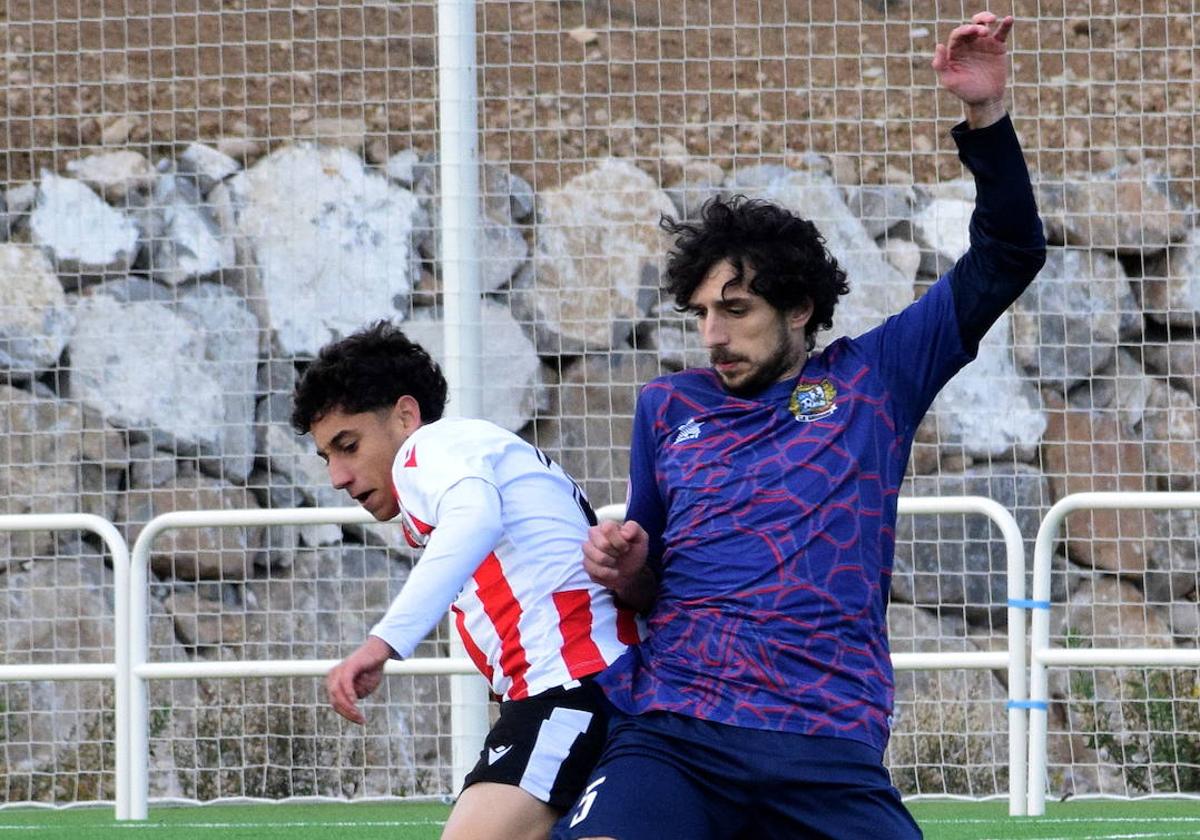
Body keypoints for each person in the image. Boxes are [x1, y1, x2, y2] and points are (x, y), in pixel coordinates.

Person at [554, 12, 1046, 840]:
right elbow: (650, 581)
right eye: (702, 312)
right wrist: (627, 564)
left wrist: (986, 119)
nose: (712, 334)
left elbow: (1008, 253)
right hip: (675, 734)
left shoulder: (875, 381)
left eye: (736, 310)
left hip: (824, 748)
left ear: (800, 307)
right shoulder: (666, 409)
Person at [290, 322, 640, 840]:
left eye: (348, 445)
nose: (337, 476)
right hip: (600, 686)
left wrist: (382, 643)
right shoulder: (481, 452)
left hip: (571, 689)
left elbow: (475, 518)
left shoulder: (429, 447)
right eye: (327, 457)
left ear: (407, 416)